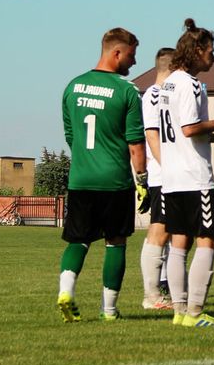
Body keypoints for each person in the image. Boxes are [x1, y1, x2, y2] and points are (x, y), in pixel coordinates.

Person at [57, 27, 148, 322]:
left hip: (81, 179)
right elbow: (136, 143)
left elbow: (71, 136)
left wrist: (87, 159)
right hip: (115, 181)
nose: (133, 63)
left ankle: (66, 291)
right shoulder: (127, 91)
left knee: (78, 240)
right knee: (116, 242)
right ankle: (109, 310)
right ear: (117, 53)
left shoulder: (73, 86)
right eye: (132, 56)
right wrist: (143, 180)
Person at [159, 19, 214, 329]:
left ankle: (179, 311)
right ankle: (195, 313)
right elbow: (188, 128)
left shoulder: (168, 83)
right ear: (197, 51)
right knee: (208, 241)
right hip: (194, 177)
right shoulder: (189, 84)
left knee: (179, 243)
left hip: (172, 177)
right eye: (211, 51)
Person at [139, 47, 175, 311]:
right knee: (159, 231)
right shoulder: (154, 94)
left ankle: (168, 292)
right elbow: (152, 135)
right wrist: (169, 166)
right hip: (164, 176)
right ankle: (151, 296)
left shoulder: (168, 93)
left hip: (174, 174)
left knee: (171, 232)